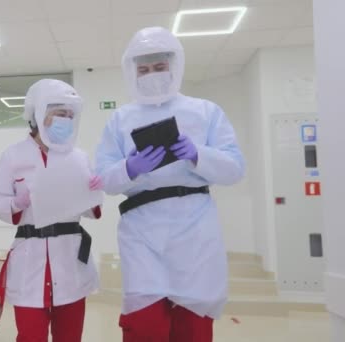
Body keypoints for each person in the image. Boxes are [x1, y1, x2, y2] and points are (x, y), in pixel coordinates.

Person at [95, 27, 245, 342]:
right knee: (145, 323)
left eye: (159, 67)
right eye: (144, 69)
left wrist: (197, 155)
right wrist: (129, 167)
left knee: (193, 325)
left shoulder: (205, 112)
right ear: (132, 71)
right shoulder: (120, 119)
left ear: (174, 66)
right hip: (141, 230)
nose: (152, 75)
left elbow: (234, 169)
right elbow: (104, 179)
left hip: (196, 228)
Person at [0, 79, 103, 342]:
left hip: (70, 256)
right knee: (30, 336)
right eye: (60, 113)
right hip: (30, 255)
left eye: (70, 115)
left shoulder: (79, 157)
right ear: (38, 114)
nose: (66, 120)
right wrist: (19, 203)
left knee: (70, 336)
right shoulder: (13, 156)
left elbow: (91, 211)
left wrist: (95, 192)